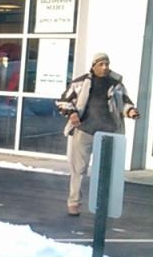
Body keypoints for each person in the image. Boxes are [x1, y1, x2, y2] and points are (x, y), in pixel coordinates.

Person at [56, 52, 140, 215]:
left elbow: (125, 103)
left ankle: (103, 204)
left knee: (106, 170)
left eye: (107, 64)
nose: (105, 67)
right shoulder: (80, 83)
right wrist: (72, 113)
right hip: (85, 130)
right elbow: (63, 101)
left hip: (108, 133)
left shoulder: (116, 84)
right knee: (79, 170)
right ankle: (74, 203)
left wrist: (130, 112)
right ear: (93, 66)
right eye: (101, 64)